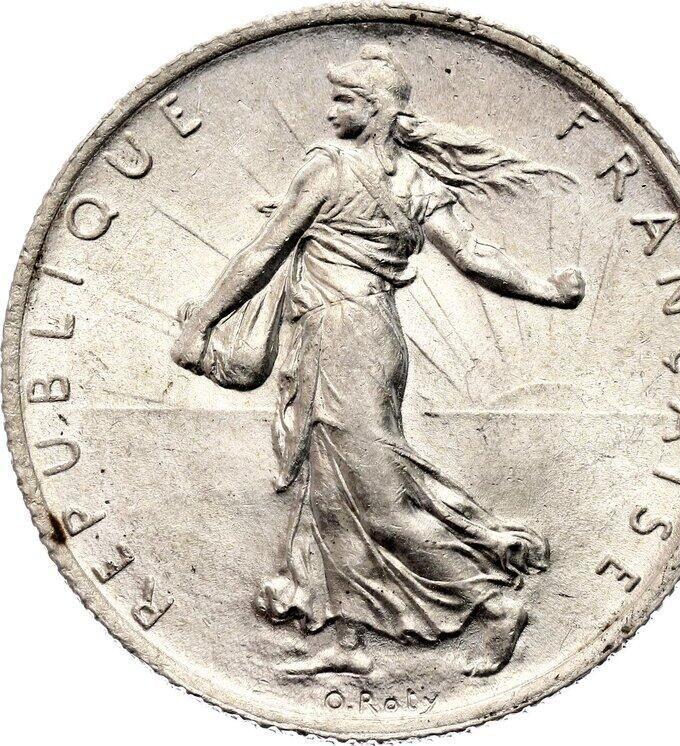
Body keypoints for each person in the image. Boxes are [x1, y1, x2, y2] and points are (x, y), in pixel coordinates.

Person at [171, 45, 585, 676]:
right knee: (330, 494)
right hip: (361, 335)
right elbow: (477, 259)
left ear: (376, 108)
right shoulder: (416, 183)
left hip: (342, 338)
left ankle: (495, 602)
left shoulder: (330, 166)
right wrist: (547, 289)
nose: (330, 110)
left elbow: (263, 251)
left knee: (378, 496)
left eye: (343, 98)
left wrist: (201, 323)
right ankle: (348, 639)